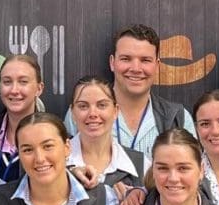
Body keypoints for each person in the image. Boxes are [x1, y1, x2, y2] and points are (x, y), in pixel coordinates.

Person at [64, 25, 187, 156]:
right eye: (126, 59)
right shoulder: (81, 112)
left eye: (145, 60)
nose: (135, 68)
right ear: (112, 62)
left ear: (157, 66)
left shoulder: (177, 117)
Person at [67, 75, 144, 188]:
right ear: (72, 113)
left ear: (115, 111)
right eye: (83, 106)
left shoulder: (141, 164)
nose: (92, 114)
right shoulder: (55, 162)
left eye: (102, 105)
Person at [0, 53, 43, 183]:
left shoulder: (53, 134)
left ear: (39, 88)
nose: (14, 90)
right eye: (7, 82)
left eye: (23, 82)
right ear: (0, 86)